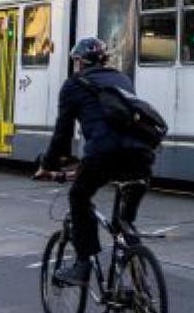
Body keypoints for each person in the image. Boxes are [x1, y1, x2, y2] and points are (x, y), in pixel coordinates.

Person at [36, 37, 158, 286]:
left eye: (75, 61)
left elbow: (62, 135)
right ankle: (138, 278)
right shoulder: (122, 79)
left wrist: (48, 166)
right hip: (142, 156)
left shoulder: (73, 85)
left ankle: (82, 265)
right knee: (124, 221)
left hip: (104, 155)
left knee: (79, 197)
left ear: (80, 62)